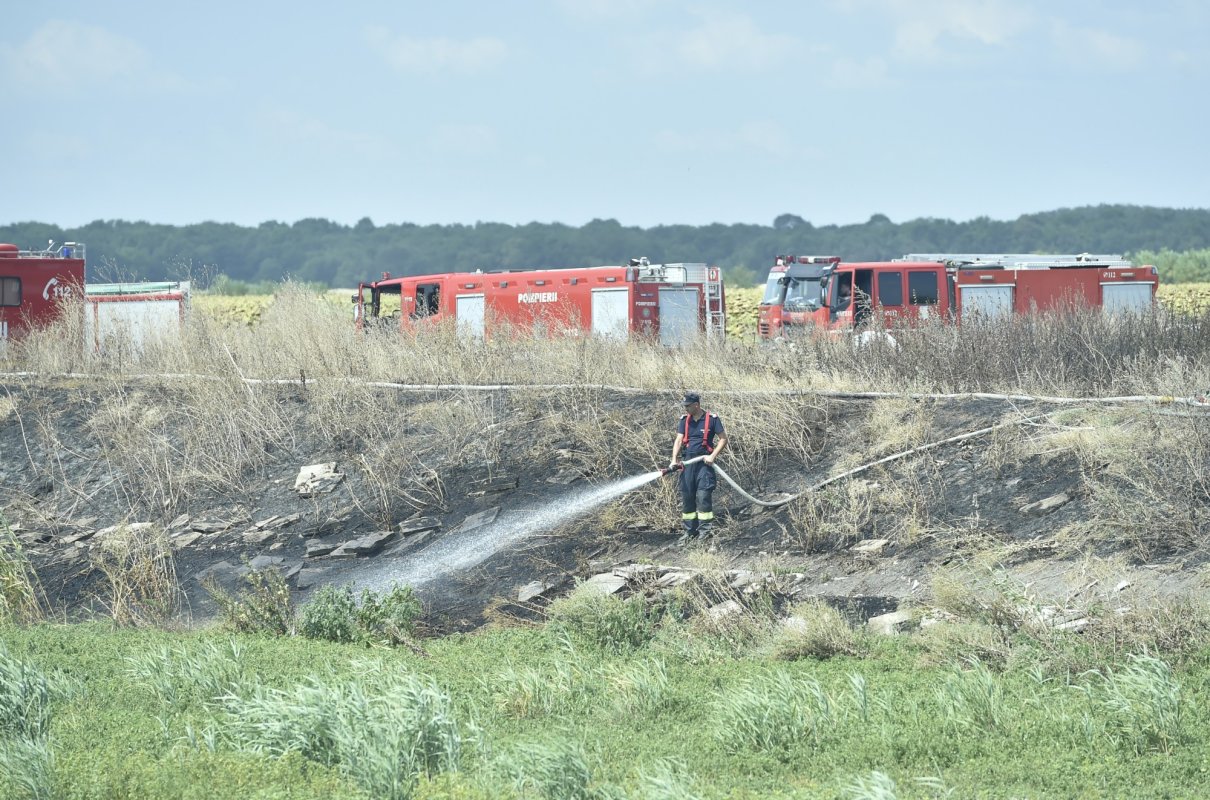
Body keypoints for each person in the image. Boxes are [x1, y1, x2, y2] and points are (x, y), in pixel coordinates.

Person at [669, 392, 728, 542]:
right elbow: (678, 440)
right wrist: (674, 460)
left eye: (688, 406)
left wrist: (712, 456)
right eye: (685, 406)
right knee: (687, 497)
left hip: (704, 464)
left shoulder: (712, 419)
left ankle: (705, 532)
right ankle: (690, 532)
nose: (686, 409)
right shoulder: (684, 420)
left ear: (696, 405)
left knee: (703, 497)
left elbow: (723, 439)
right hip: (688, 463)